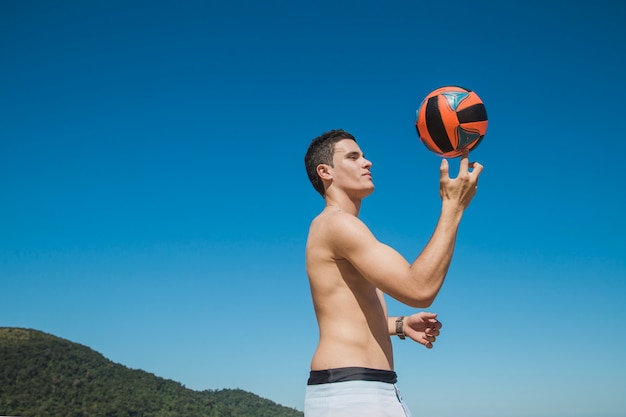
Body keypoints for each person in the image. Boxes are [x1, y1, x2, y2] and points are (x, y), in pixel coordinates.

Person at [303, 129, 483, 416]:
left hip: (363, 387)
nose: (368, 162)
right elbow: (419, 289)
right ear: (326, 171)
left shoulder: (340, 227)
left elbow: (347, 313)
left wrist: (400, 325)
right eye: (353, 157)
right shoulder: (337, 225)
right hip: (353, 391)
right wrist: (453, 207)